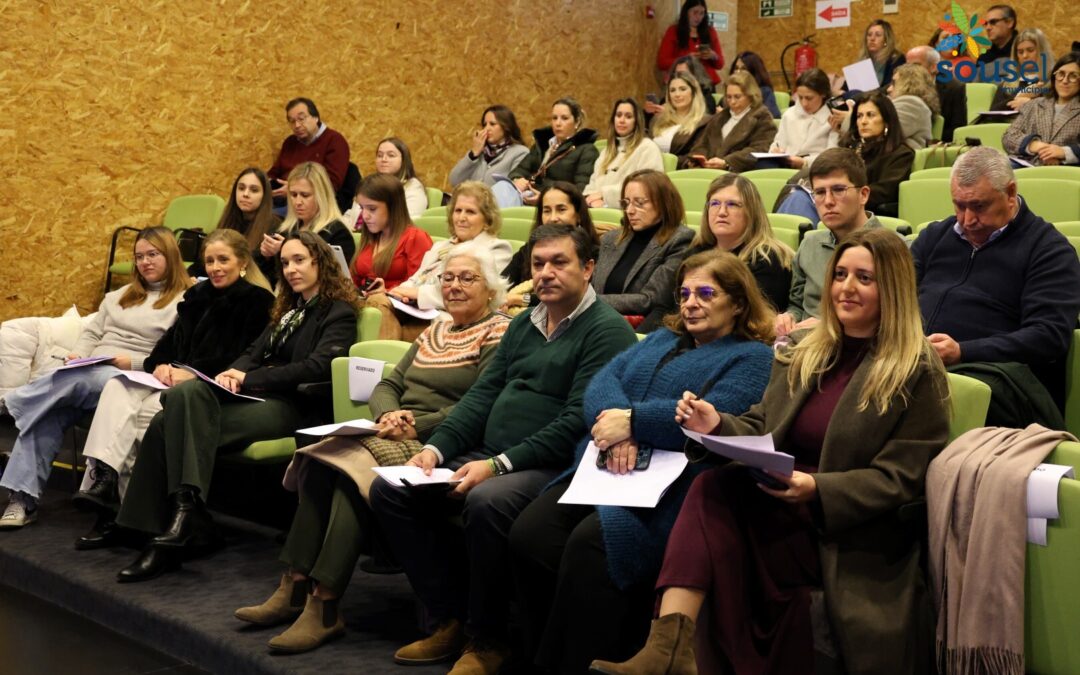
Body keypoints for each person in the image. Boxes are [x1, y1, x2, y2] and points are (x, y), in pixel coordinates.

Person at [592, 228, 951, 675]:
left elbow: (903, 477)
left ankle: (671, 654)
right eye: (839, 274)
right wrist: (716, 423)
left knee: (712, 505)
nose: (845, 287)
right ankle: (669, 649)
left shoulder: (916, 369)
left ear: (893, 288)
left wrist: (817, 488)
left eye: (864, 278)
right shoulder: (807, 349)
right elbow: (764, 426)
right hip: (776, 493)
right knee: (712, 487)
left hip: (844, 525)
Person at [369, 225, 638, 675]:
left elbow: (577, 420)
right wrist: (435, 451)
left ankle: (489, 638)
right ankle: (448, 617)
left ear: (589, 268)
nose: (546, 273)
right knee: (393, 491)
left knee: (486, 500)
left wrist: (496, 465)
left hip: (552, 465)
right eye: (538, 264)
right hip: (489, 451)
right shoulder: (525, 324)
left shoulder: (605, 331)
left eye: (560, 262)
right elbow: (481, 397)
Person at [234, 242, 511, 654]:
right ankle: (294, 584)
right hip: (395, 429)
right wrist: (389, 415)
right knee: (322, 458)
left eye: (467, 278)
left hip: (442, 438)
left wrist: (415, 424)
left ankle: (324, 604)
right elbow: (387, 385)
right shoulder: (436, 327)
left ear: (490, 289)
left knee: (351, 475)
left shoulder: (499, 331)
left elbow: (480, 404)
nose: (454, 286)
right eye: (447, 278)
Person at [509, 249, 775, 673]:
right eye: (685, 292)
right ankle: (538, 652)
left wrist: (634, 421)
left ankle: (577, 662)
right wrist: (617, 431)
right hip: (607, 467)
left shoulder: (753, 357)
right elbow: (602, 383)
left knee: (590, 547)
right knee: (530, 533)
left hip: (671, 487)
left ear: (738, 302)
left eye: (706, 293)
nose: (691, 302)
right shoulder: (662, 338)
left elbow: (712, 415)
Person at [112, 232, 359, 582]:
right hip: (257, 399)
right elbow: (252, 352)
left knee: (171, 421)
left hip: (292, 407)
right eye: (285, 262)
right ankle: (183, 516)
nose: (290, 269)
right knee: (181, 404)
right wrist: (236, 371)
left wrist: (251, 378)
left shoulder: (337, 312)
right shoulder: (286, 309)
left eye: (300, 260)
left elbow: (317, 367)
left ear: (321, 262)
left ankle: (166, 521)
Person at [72, 229, 274, 548]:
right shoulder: (196, 296)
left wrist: (191, 374)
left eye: (223, 260)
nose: (215, 267)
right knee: (116, 387)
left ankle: (127, 516)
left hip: (208, 389)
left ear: (243, 263)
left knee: (144, 419)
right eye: (209, 261)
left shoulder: (258, 301)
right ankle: (104, 480)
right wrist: (163, 364)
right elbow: (165, 347)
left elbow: (245, 358)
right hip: (172, 380)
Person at [0, 228, 189, 529]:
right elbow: (91, 333)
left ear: (171, 255)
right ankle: (22, 500)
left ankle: (12, 403)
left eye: (153, 254)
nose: (145, 262)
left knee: (84, 381)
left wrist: (133, 361)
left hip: (132, 378)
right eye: (139, 256)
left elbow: (177, 353)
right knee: (50, 411)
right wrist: (77, 355)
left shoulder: (186, 300)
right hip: (90, 372)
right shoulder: (118, 297)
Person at [911, 146, 1080, 427]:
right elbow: (892, 299)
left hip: (995, 383)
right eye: (959, 205)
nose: (967, 220)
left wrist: (963, 351)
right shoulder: (935, 236)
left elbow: (1048, 337)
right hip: (920, 367)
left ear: (1010, 193)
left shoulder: (1049, 250)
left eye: (979, 206)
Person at [777, 148, 886, 337]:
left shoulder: (892, 248)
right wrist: (788, 318)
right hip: (803, 345)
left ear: (864, 195)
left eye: (838, 190)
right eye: (819, 192)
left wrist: (828, 325)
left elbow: (894, 319)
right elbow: (797, 305)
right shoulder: (810, 243)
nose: (828, 201)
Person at [385, 181, 513, 341]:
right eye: (458, 210)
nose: (461, 217)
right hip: (413, 308)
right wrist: (398, 293)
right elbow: (416, 278)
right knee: (378, 302)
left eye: (470, 212)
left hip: (446, 318)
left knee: (381, 310)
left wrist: (418, 294)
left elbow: (475, 293)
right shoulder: (440, 246)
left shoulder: (496, 248)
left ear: (487, 220)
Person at [592, 170, 695, 332]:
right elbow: (592, 286)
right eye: (626, 203)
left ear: (664, 203)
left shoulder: (679, 240)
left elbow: (651, 299)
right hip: (596, 320)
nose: (630, 210)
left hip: (638, 328)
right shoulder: (611, 239)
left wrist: (589, 301)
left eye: (640, 203)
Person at [685, 174, 794, 310]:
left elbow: (757, 318)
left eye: (732, 204)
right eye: (715, 203)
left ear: (751, 212)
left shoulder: (768, 259)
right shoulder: (695, 252)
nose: (722, 212)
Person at [349, 174, 434, 339]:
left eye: (372, 209)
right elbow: (354, 280)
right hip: (368, 303)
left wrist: (387, 291)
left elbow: (418, 286)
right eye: (362, 208)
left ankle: (381, 362)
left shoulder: (415, 237)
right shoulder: (370, 237)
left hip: (400, 309)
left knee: (378, 301)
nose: (364, 216)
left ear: (393, 207)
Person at [502, 182, 601, 316]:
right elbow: (502, 283)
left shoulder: (594, 253)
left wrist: (521, 299)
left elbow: (577, 297)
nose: (553, 218)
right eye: (547, 211)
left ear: (578, 215)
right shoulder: (528, 250)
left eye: (561, 209)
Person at [255, 162, 355, 287]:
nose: (298, 202)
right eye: (293, 194)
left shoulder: (338, 233)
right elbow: (266, 277)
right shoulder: (287, 228)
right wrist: (266, 255)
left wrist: (285, 252)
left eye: (305, 195)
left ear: (321, 196)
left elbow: (333, 279)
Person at [505, 98, 599, 206]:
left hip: (556, 205)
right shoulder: (542, 145)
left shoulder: (586, 150)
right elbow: (518, 171)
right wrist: (518, 179)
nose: (558, 123)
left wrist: (545, 197)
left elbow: (579, 190)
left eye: (564, 118)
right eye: (554, 118)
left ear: (577, 122)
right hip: (527, 196)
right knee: (503, 186)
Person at [188, 168, 281, 277]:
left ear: (264, 195)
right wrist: (189, 278)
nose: (245, 194)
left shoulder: (275, 226)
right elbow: (203, 263)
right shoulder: (227, 221)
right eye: (241, 188)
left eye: (254, 190)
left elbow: (267, 272)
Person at [835, 92, 914, 215]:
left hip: (872, 214)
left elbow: (885, 191)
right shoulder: (847, 148)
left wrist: (845, 195)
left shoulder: (901, 154)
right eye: (859, 116)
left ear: (886, 120)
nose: (863, 121)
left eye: (870, 115)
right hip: (839, 206)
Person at [683, 71, 777, 172]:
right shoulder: (720, 117)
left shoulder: (762, 117)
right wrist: (698, 159)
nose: (732, 101)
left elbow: (759, 150)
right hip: (709, 170)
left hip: (739, 174)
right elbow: (702, 144)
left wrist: (727, 162)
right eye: (729, 97)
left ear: (750, 95)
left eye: (737, 97)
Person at [584, 99, 665, 208]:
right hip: (596, 207)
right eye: (618, 115)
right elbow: (593, 183)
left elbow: (647, 188)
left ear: (636, 121)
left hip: (629, 211)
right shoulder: (606, 151)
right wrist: (589, 198)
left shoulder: (647, 148)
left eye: (628, 116)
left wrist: (604, 196)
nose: (622, 120)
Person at [1002, 52, 1080, 166]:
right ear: (1054, 77)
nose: (1065, 80)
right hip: (1028, 165)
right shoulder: (1034, 104)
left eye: (1073, 76)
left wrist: (1064, 153)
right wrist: (1034, 145)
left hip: (1066, 171)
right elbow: (1009, 136)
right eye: (1061, 74)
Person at [267, 98, 350, 196]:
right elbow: (274, 173)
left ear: (316, 118)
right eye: (292, 121)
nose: (297, 125)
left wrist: (293, 190)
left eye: (301, 119)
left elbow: (331, 184)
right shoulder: (290, 142)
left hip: (312, 202)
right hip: (281, 197)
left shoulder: (334, 141)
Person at [770, 68, 838, 170]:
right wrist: (775, 151)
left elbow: (832, 157)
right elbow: (778, 144)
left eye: (809, 98)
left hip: (816, 170)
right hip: (785, 167)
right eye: (800, 97)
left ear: (823, 94)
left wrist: (805, 163)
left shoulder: (833, 118)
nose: (804, 103)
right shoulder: (789, 115)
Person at [449, 105, 530, 188]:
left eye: (492, 124)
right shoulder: (479, 152)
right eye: (484, 125)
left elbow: (515, 188)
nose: (487, 128)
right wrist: (473, 154)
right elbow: (454, 181)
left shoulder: (520, 152)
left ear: (506, 126)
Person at [905, 45, 967, 142]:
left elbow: (958, 129)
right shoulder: (899, 85)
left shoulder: (954, 88)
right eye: (908, 66)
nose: (910, 71)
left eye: (916, 65)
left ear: (933, 67)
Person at [656, 0, 724, 85]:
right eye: (695, 12)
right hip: (682, 81)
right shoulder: (673, 31)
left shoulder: (710, 31)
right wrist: (685, 59)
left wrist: (713, 56)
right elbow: (662, 62)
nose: (698, 17)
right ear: (686, 12)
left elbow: (720, 64)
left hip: (707, 83)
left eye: (702, 13)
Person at [649, 73, 711, 160]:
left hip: (682, 171)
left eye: (682, 89)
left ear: (694, 92)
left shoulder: (705, 122)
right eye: (672, 90)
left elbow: (696, 155)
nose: (677, 94)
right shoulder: (658, 119)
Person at [887, 63, 940, 149]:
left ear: (908, 83)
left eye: (894, 83)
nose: (888, 89)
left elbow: (888, 133)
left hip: (903, 158)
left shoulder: (912, 103)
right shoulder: (912, 103)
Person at [374, 137, 428, 219]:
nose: (383, 159)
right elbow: (353, 218)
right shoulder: (372, 184)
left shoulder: (412, 186)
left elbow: (410, 221)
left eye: (391, 155)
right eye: (380, 155)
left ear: (403, 160)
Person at [730, 51, 781, 117]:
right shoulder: (730, 89)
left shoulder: (764, 91)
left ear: (753, 72)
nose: (738, 72)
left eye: (743, 69)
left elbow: (773, 115)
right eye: (736, 68)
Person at [857, 19, 905, 89]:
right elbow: (846, 87)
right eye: (869, 35)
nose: (872, 38)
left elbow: (889, 87)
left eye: (878, 35)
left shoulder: (896, 59)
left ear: (886, 40)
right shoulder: (863, 61)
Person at [977, 5, 1018, 69]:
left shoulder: (1024, 52)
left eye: (993, 22)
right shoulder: (984, 59)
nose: (988, 28)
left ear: (1009, 23)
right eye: (986, 24)